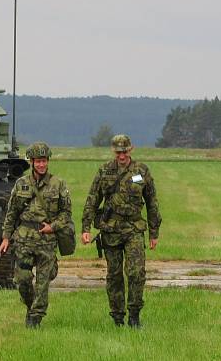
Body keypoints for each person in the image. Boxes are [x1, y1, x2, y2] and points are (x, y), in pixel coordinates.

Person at [81, 134, 161, 328]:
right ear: (113, 151)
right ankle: (117, 317)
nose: (122, 155)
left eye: (124, 151)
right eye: (118, 152)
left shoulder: (141, 171)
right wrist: (86, 228)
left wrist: (154, 232)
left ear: (130, 150)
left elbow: (152, 202)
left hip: (134, 229)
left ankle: (134, 316)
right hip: (111, 231)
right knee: (114, 275)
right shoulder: (105, 171)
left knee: (136, 273)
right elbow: (93, 199)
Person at [0, 142, 72, 328]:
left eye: (44, 161)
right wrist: (6, 237)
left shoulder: (58, 184)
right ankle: (31, 307)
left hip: (46, 240)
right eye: (38, 161)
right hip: (23, 239)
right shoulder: (21, 184)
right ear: (31, 162)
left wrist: (53, 226)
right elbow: (11, 213)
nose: (41, 165)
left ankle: (35, 319)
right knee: (22, 279)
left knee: (42, 283)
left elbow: (66, 213)